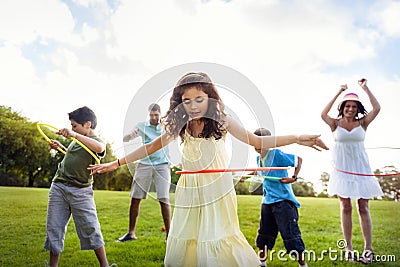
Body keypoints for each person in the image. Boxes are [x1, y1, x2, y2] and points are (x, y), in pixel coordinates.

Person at [89, 72, 328, 267]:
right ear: (179, 103)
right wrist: (116, 162)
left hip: (217, 189)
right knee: (189, 238)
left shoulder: (221, 120)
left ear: (210, 98)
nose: (193, 106)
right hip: (190, 189)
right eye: (186, 101)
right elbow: (152, 145)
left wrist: (297, 137)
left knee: (214, 237)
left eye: (199, 99)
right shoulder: (180, 124)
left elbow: (258, 142)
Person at [321, 79, 383, 264]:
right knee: (345, 207)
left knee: (363, 207)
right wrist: (339, 91)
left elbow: (377, 108)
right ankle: (349, 249)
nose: (350, 109)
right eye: (347, 106)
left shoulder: (363, 123)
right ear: (342, 108)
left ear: (358, 109)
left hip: (361, 169)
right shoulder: (334, 124)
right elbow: (323, 113)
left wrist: (365, 88)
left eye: (354, 106)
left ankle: (368, 250)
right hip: (342, 171)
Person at [43, 106, 114, 267]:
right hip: (59, 186)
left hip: (81, 191)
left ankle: (105, 265)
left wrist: (74, 135)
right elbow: (73, 155)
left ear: (87, 124)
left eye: (75, 126)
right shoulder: (76, 141)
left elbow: (99, 149)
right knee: (54, 227)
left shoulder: (97, 141)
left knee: (91, 227)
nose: (72, 129)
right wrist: (60, 148)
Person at [252, 128, 307, 267]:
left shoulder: (276, 154)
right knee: (264, 235)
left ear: (269, 143)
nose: (256, 146)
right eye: (254, 142)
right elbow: (259, 172)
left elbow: (298, 159)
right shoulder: (258, 159)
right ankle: (262, 263)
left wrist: (293, 178)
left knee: (291, 236)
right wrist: (246, 175)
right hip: (267, 202)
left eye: (260, 142)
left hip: (283, 202)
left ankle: (303, 265)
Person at [117, 103, 171, 242]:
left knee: (164, 199)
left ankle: (169, 236)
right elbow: (125, 139)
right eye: (151, 114)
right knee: (135, 199)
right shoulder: (141, 126)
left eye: (156, 114)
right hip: (144, 164)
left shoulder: (166, 126)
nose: (154, 117)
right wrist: (131, 135)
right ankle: (130, 233)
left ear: (160, 113)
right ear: (148, 114)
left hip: (162, 165)